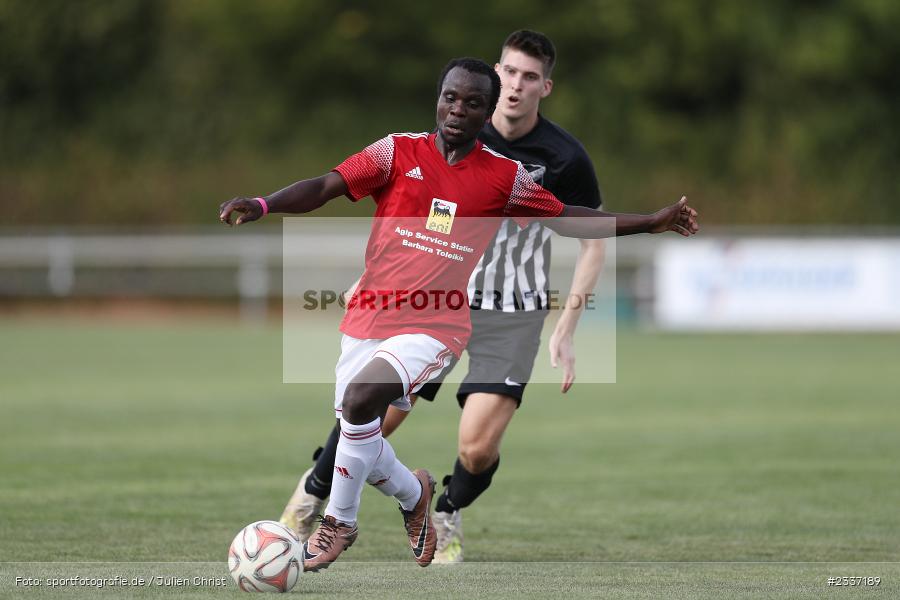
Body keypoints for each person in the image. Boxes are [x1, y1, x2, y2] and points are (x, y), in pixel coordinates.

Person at [221, 56, 698, 572]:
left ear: (487, 112)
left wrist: (651, 221)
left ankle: (339, 523)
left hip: (436, 323)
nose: (458, 109)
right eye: (451, 97)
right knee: (359, 430)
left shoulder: (504, 179)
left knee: (362, 402)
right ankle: (414, 492)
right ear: (439, 97)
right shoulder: (395, 153)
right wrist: (265, 204)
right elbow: (326, 185)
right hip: (368, 315)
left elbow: (569, 218)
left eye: (473, 103)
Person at [280, 31, 605, 563]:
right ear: (494, 77)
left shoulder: (564, 157)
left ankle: (446, 508)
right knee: (366, 416)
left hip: (512, 309)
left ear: (545, 86)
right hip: (432, 302)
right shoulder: (457, 127)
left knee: (477, 446)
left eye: (529, 77)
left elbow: (591, 238)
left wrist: (567, 328)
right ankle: (312, 496)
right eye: (508, 74)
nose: (515, 86)